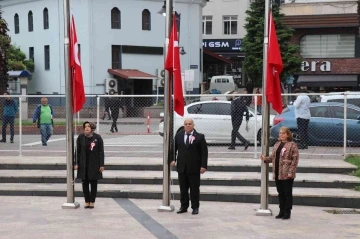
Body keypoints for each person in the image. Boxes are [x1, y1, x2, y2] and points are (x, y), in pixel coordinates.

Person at [170, 118, 208, 215]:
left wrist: (203, 166)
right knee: (183, 189)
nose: (188, 125)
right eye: (186, 124)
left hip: (194, 168)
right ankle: (183, 206)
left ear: (193, 125)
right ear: (184, 125)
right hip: (182, 167)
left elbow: (204, 153)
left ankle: (195, 207)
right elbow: (173, 150)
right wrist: (172, 159)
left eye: (190, 124)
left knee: (194, 189)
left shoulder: (199, 137)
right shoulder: (178, 136)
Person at [260, 127, 299, 220]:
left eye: (283, 133)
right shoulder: (277, 144)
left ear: (288, 135)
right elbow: (273, 157)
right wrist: (265, 159)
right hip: (278, 172)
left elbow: (295, 160)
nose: (281, 135)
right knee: (280, 192)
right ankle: (281, 211)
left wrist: (291, 172)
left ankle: (287, 211)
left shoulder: (292, 145)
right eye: (280, 133)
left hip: (287, 173)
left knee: (287, 193)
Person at [74, 121, 104, 209]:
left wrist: (101, 164)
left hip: (94, 164)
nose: (87, 128)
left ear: (92, 128)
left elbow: (101, 152)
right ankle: (87, 201)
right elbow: (77, 151)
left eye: (88, 126)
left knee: (94, 183)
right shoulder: (81, 137)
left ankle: (92, 201)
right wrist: (76, 163)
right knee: (85, 183)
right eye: (85, 126)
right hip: (83, 163)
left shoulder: (97, 138)